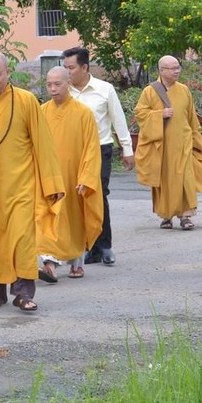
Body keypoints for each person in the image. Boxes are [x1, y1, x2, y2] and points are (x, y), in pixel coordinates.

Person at [0, 53, 63, 312]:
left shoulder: (25, 100)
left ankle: (23, 292)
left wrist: (52, 184)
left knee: (22, 240)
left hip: (22, 185)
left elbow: (43, 142)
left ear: (8, 73)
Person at [62, 46, 133, 266]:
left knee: (98, 194)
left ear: (84, 67)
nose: (67, 72)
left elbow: (118, 119)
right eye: (64, 68)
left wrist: (127, 149)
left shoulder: (104, 89)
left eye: (71, 68)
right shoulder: (64, 91)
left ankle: (104, 245)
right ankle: (84, 246)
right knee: (74, 197)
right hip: (72, 151)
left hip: (100, 148)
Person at [37, 67, 103, 281]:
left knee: (73, 221)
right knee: (47, 218)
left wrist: (86, 178)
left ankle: (77, 261)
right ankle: (49, 262)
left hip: (74, 178)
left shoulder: (83, 113)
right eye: (49, 85)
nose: (53, 89)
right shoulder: (41, 112)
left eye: (58, 84)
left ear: (69, 84)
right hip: (49, 178)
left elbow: (92, 149)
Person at [134, 55, 202, 230]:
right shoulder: (150, 91)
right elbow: (140, 114)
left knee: (185, 179)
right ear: (161, 71)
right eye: (172, 68)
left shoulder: (184, 90)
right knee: (164, 180)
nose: (176, 71)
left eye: (178, 67)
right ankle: (166, 215)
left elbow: (192, 118)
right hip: (161, 146)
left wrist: (197, 141)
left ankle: (185, 215)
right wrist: (159, 114)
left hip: (183, 142)